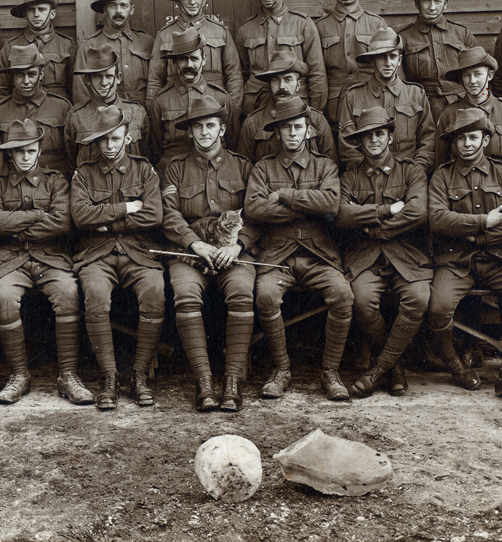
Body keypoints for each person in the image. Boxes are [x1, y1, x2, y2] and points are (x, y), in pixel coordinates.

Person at [427, 108, 502, 405]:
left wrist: (477, 236)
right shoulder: (441, 176)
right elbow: (438, 219)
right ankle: (454, 362)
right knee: (438, 307)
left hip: (498, 258)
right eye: (461, 138)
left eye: (473, 137)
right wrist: (482, 222)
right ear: (453, 143)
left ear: (486, 139)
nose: (467, 143)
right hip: (457, 261)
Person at [243, 97, 350, 400]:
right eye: (286, 127)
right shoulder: (263, 168)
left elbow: (331, 203)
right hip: (278, 255)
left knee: (343, 295)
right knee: (265, 295)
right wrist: (307, 207)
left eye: (298, 127)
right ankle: (282, 370)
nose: (292, 132)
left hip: (319, 254)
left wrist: (285, 195)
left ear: (309, 131)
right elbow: (254, 209)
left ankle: (330, 373)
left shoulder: (325, 165)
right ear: (277, 132)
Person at [0, 119, 94, 406]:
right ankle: (20, 375)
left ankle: (68, 375)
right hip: (11, 260)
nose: (25, 156)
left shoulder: (56, 181)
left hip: (50, 257)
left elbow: (62, 222)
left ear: (39, 150)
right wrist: (35, 215)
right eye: (18, 151)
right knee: (4, 296)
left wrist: (15, 224)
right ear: (10, 154)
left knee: (68, 292)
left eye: (30, 150)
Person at [161, 95, 259, 412]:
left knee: (243, 291)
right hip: (190, 253)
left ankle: (232, 383)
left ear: (222, 129)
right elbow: (170, 215)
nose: (204, 132)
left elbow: (257, 215)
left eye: (210, 125)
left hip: (234, 253)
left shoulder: (243, 167)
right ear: (189, 132)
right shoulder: (175, 169)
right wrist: (196, 244)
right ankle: (203, 382)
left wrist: (238, 245)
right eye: (198, 126)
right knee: (186, 294)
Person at [70, 106, 166, 410]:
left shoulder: (144, 169)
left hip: (138, 251)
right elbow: (80, 215)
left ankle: (140, 376)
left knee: (155, 290)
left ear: (127, 138)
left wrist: (105, 221)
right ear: (96, 142)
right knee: (96, 294)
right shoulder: (84, 173)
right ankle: (109, 378)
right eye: (103, 140)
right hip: (96, 253)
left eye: (115, 138)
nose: (110, 146)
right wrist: (126, 208)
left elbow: (154, 214)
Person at [335, 106, 431, 398]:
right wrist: (385, 210)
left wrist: (377, 228)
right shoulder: (350, 177)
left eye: (380, 134)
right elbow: (340, 214)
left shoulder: (411, 170)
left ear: (390, 137)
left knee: (418, 298)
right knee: (362, 302)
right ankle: (395, 367)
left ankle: (379, 370)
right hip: (365, 256)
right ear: (360, 142)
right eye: (367, 136)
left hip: (405, 254)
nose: (374, 140)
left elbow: (417, 212)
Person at [337, 27, 435, 173]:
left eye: (392, 56)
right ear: (373, 60)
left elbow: (428, 140)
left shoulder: (416, 94)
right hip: (367, 177)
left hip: (409, 174)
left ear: (400, 59)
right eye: (382, 57)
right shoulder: (353, 96)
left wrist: (415, 171)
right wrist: (365, 173)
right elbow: (348, 147)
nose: (388, 63)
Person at [236, 0, 327, 115]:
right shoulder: (246, 30)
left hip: (296, 105)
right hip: (259, 106)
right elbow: (243, 73)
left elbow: (317, 73)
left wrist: (314, 113)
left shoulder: (303, 24)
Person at [146, 0, 243, 113]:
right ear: (177, 0)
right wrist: (153, 112)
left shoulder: (220, 31)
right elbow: (155, 79)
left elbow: (234, 76)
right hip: (176, 107)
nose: (192, 1)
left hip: (214, 107)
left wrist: (232, 110)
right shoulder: (164, 35)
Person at [148, 26, 236, 179]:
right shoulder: (161, 101)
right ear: (175, 63)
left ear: (204, 60)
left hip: (214, 173)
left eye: (194, 58)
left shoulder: (221, 98)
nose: (189, 65)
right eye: (183, 59)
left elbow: (233, 141)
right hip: (172, 175)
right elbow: (155, 148)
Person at [314, 0, 388, 130]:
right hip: (332, 104)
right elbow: (315, 70)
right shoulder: (320, 26)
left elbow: (391, 67)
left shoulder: (376, 24)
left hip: (370, 100)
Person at [398, 0, 478, 118]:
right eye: (426, 1)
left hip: (460, 105)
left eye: (437, 1)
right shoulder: (404, 37)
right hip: (420, 106)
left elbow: (479, 72)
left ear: (445, 3)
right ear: (417, 3)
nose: (432, 7)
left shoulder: (462, 34)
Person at [435, 46, 502, 169]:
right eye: (467, 75)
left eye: (477, 74)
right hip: (462, 184)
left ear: (489, 75)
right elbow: (441, 163)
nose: (472, 81)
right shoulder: (449, 114)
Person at [238, 51, 337, 166]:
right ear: (269, 84)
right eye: (275, 80)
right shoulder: (252, 123)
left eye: (288, 79)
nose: (281, 86)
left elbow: (331, 165)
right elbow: (244, 169)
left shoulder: (317, 120)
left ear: (298, 85)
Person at [0, 43, 73, 177]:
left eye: (31, 74)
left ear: (41, 74)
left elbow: (71, 156)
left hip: (54, 185)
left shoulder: (62, 108)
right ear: (12, 77)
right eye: (19, 75)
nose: (26, 81)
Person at [64, 43, 151, 167]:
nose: (104, 83)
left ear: (118, 78)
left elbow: (146, 155)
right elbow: (71, 159)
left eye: (109, 76)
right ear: (88, 80)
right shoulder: (76, 116)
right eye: (97, 77)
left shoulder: (137, 112)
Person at [72, 0, 153, 106]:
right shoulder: (90, 45)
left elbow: (156, 82)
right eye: (112, 5)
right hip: (106, 114)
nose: (118, 11)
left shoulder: (147, 42)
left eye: (124, 5)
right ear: (104, 9)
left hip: (143, 112)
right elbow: (81, 92)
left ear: (131, 9)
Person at [0, 0, 74, 103]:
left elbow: (75, 88)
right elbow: (0, 90)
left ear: (52, 14)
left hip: (57, 114)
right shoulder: (10, 47)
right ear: (25, 14)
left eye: (42, 9)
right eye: (31, 9)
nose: (36, 14)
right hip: (20, 112)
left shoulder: (67, 46)